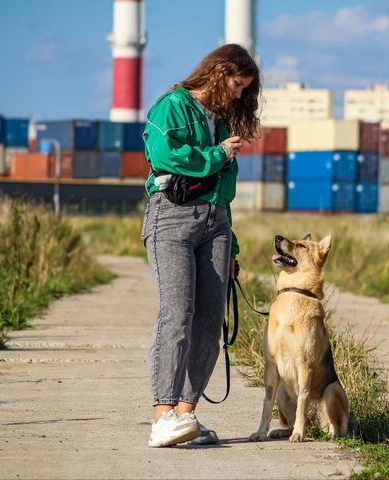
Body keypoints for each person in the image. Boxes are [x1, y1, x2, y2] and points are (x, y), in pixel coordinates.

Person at [140, 44, 260, 447]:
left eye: (245, 89)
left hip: (216, 223)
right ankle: (163, 417)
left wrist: (233, 248)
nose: (239, 94)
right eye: (237, 84)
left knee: (211, 322)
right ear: (219, 71)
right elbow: (163, 155)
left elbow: (225, 193)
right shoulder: (172, 106)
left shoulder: (223, 121)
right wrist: (216, 154)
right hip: (170, 218)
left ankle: (187, 418)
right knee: (177, 313)